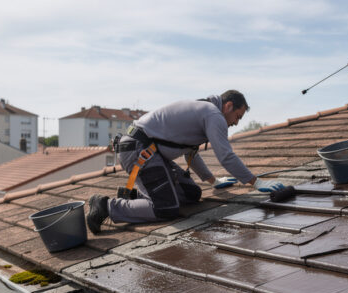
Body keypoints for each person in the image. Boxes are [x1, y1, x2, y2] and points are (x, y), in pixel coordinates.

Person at [86, 90, 285, 233]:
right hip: (140, 151)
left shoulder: (204, 110)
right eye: (237, 116)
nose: (235, 123)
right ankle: (106, 206)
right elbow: (226, 156)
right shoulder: (213, 114)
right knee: (165, 208)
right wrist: (255, 181)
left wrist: (212, 181)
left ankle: (143, 194)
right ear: (228, 105)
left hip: (149, 152)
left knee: (192, 193)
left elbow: (191, 154)